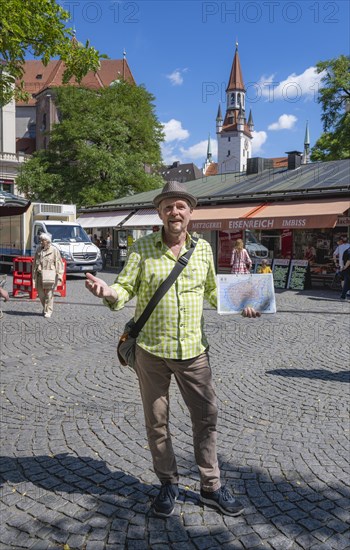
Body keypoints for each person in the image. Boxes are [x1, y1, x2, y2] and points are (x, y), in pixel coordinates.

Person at [85, 180, 259, 518]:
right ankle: (168, 483)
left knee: (206, 418)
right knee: (157, 422)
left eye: (180, 206)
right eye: (168, 206)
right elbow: (124, 288)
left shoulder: (204, 250)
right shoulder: (142, 248)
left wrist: (243, 302)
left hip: (194, 352)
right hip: (151, 351)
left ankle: (211, 486)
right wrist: (109, 293)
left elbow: (212, 291)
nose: (174, 211)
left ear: (190, 212)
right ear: (160, 212)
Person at [32, 233, 64, 318]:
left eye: (42, 240)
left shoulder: (54, 250)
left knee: (49, 294)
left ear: (47, 241)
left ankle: (48, 311)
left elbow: (59, 263)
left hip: (50, 275)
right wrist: (33, 275)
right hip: (39, 275)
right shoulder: (38, 249)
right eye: (40, 240)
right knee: (40, 293)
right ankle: (45, 307)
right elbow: (34, 263)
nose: (41, 242)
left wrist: (60, 275)